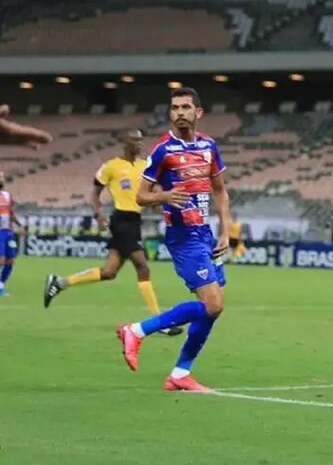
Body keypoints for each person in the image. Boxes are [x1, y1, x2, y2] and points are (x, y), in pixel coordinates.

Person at [115, 87, 231, 391]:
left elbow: (219, 189)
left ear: (198, 113)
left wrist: (225, 228)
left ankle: (180, 374)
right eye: (175, 107)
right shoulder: (163, 151)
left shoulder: (209, 146)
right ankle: (137, 330)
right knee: (213, 304)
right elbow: (140, 196)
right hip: (183, 238)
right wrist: (165, 195)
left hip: (206, 234)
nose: (179, 112)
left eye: (185, 107)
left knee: (214, 308)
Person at [43, 129, 182, 336]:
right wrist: (98, 215)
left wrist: (160, 203)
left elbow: (148, 195)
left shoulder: (145, 166)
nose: (139, 144)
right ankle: (159, 321)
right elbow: (95, 193)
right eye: (135, 140)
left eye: (141, 141)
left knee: (109, 272)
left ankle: (60, 282)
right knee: (142, 267)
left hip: (134, 221)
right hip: (121, 220)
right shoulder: (111, 167)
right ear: (124, 142)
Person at [0, 171, 25, 296]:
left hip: (8, 232)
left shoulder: (7, 196)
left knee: (10, 261)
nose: (2, 179)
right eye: (0, 177)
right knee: (1, 260)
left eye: (3, 177)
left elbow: (11, 214)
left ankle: (1, 285)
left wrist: (20, 225)